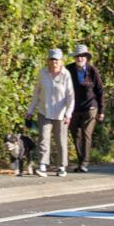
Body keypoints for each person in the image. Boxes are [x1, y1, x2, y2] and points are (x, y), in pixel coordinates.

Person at [26, 48, 75, 177]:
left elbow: (70, 96)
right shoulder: (42, 73)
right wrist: (30, 111)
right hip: (44, 110)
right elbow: (36, 93)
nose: (54, 62)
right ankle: (43, 165)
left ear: (61, 61)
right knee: (43, 138)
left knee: (60, 140)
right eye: (52, 59)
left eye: (56, 60)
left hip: (61, 113)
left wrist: (68, 114)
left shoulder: (66, 75)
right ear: (48, 60)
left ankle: (61, 166)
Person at [66, 44, 105, 172]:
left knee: (86, 133)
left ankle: (85, 163)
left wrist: (101, 110)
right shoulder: (68, 70)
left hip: (90, 107)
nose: (80, 58)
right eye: (77, 56)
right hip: (73, 108)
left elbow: (100, 91)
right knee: (75, 134)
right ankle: (80, 161)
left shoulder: (92, 71)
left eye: (82, 56)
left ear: (86, 57)